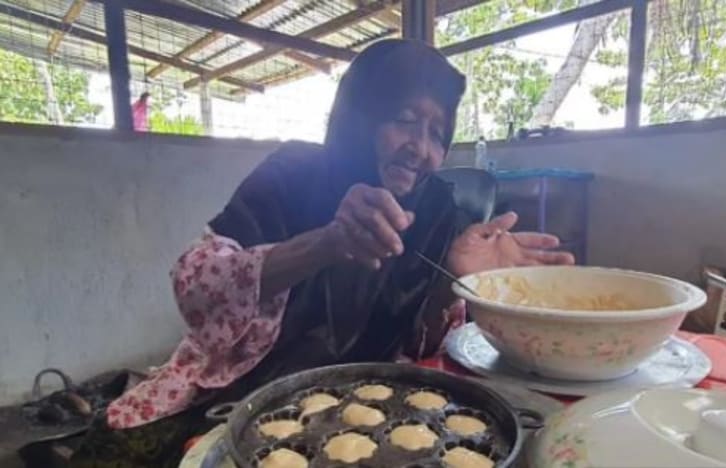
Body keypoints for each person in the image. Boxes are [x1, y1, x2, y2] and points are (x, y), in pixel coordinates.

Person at [70, 39, 573, 467]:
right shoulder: (293, 173)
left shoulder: (436, 205)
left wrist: (455, 284)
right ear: (360, 117)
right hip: (230, 397)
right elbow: (195, 289)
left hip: (353, 410)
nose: (421, 148)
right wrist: (324, 244)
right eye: (404, 120)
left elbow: (419, 349)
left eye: (437, 133)